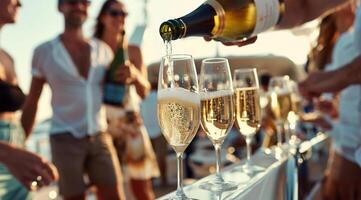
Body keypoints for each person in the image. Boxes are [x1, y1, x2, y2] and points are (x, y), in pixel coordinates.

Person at [21, 0, 125, 199]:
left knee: (115, 195)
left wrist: (129, 76)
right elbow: (33, 101)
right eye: (72, 1)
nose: (79, 6)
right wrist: (21, 144)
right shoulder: (43, 52)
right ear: (60, 6)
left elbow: (115, 90)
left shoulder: (103, 50)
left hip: (99, 134)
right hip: (63, 138)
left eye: (85, 2)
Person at [94, 1, 159, 199]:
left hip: (131, 121)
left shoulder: (133, 50)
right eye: (114, 13)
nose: (120, 18)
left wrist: (135, 75)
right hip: (101, 124)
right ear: (102, 17)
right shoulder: (91, 49)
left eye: (124, 14)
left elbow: (145, 92)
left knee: (142, 188)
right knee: (107, 189)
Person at [0, 0, 58, 199]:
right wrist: (6, 153)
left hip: (16, 152)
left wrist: (21, 149)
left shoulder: (7, 57)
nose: (20, 3)